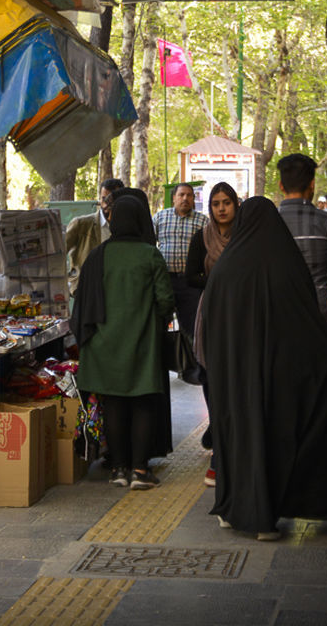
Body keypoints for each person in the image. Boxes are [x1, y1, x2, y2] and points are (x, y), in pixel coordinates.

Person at [198, 197, 327, 540]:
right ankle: (270, 513)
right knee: (276, 438)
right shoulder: (289, 266)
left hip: (234, 379)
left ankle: (235, 508)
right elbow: (308, 323)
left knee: (238, 438)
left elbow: (209, 327)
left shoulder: (226, 268)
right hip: (280, 377)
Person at [70, 195, 175, 491]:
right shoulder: (150, 255)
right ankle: (140, 471)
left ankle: (118, 468)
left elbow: (82, 301)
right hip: (143, 342)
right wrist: (153, 324)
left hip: (103, 345)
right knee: (143, 403)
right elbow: (166, 300)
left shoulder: (98, 256)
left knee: (114, 404)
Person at [276, 154, 327, 355]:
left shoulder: (267, 224)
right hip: (319, 320)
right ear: (312, 185)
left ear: (281, 185)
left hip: (278, 322)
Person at [185, 181, 239, 487]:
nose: (221, 208)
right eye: (216, 203)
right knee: (211, 376)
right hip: (212, 314)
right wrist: (216, 281)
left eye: (226, 202)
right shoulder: (201, 237)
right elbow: (191, 275)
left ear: (235, 205)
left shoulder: (246, 235)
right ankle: (217, 430)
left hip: (240, 313)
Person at [153, 182, 208, 333]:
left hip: (190, 283)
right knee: (161, 323)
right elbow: (150, 245)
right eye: (181, 195)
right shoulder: (160, 218)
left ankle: (190, 355)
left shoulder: (203, 222)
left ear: (193, 199)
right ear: (174, 198)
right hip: (165, 280)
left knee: (191, 326)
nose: (185, 198)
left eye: (189, 195)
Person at [66, 178, 125, 296]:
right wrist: (70, 283)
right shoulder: (81, 224)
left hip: (115, 292)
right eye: (104, 199)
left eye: (112, 199)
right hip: (85, 290)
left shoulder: (126, 227)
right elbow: (59, 253)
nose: (107, 204)